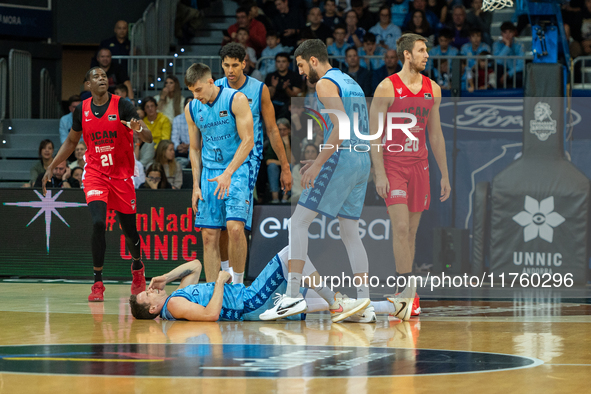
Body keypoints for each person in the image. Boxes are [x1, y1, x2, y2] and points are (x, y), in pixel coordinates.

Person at [261, 39, 375, 323]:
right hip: (361, 161)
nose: (300, 72)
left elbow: (342, 126)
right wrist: (322, 157)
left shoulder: (325, 83)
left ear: (313, 60)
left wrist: (321, 163)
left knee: (298, 222)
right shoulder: (351, 82)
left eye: (300, 65)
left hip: (343, 158)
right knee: (350, 233)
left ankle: (292, 296)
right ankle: (364, 303)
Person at [42, 66, 153, 302]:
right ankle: (98, 283)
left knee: (130, 230)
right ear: (88, 86)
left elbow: (148, 136)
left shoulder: (122, 104)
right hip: (95, 174)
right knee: (98, 222)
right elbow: (72, 142)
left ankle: (137, 267)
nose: (101, 78)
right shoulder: (81, 110)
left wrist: (139, 128)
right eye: (96, 76)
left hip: (122, 176)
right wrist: (52, 165)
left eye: (104, 75)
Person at [370, 33, 451, 317]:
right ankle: (406, 292)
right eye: (421, 50)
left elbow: (436, 134)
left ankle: (405, 293)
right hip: (393, 166)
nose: (426, 55)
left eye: (426, 50)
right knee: (401, 228)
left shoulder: (433, 89)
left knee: (413, 232)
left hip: (421, 166)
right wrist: (379, 173)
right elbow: (374, 135)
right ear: (406, 54)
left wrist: (444, 173)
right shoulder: (386, 87)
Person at [129, 245, 413, 321]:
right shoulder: (175, 305)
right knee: (292, 253)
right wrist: (219, 282)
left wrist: (165, 277)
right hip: (248, 302)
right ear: (152, 310)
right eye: (146, 296)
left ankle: (393, 308)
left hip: (248, 300)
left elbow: (195, 265)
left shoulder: (174, 296)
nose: (150, 290)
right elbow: (210, 315)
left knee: (318, 304)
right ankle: (336, 300)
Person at [215, 43, 293, 283]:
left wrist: (285, 166)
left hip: (247, 161)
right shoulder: (215, 88)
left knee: (236, 225)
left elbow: (271, 129)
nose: (230, 70)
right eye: (226, 65)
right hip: (218, 162)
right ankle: (225, 274)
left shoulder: (259, 89)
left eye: (235, 65)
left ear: (244, 63)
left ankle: (236, 283)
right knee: (218, 227)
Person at [184, 63, 254, 287]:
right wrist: (196, 185)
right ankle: (215, 291)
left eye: (198, 90)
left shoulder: (236, 99)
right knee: (209, 236)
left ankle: (238, 287)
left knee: (234, 229)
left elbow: (248, 141)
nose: (196, 96)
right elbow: (194, 149)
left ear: (210, 82)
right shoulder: (192, 108)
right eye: (192, 91)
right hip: (209, 173)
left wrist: (229, 172)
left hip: (237, 168)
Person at [264, 52, 303, 119]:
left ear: (288, 63)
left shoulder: (295, 76)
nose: (281, 64)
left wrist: (286, 88)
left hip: (289, 104)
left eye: (283, 61)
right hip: (274, 104)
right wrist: (273, 87)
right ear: (276, 63)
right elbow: (267, 97)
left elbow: (296, 97)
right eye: (278, 62)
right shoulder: (270, 76)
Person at [264, 118, 291, 203]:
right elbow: (268, 161)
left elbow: (292, 161)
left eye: (284, 129)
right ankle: (275, 198)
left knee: (291, 167)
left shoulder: (294, 140)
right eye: (280, 129)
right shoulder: (273, 141)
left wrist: (287, 145)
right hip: (276, 167)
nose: (282, 132)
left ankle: (285, 198)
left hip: (288, 167)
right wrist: (283, 163)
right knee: (272, 167)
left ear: (289, 130)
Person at [492, 21, 524, 88]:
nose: (507, 35)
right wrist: (507, 46)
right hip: (502, 70)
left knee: (519, 77)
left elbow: (521, 65)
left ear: (514, 33)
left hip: (513, 71)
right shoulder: (496, 44)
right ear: (501, 33)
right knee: (497, 70)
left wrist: (508, 74)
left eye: (510, 32)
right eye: (505, 32)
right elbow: (497, 61)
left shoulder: (519, 45)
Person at [171, 96, 193, 168]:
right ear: (184, 107)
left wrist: (189, 146)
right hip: (181, 151)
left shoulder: (202, 119)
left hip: (196, 149)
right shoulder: (177, 119)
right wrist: (178, 146)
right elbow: (174, 138)